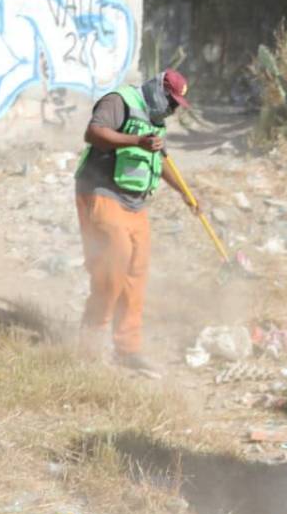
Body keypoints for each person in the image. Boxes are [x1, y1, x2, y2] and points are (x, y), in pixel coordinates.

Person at [73, 69, 198, 378]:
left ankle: (127, 349)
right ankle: (88, 344)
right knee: (112, 266)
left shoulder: (156, 119)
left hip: (135, 203)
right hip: (101, 191)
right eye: (172, 102)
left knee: (135, 274)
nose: (172, 110)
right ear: (159, 91)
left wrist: (185, 192)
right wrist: (136, 140)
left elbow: (160, 159)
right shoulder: (120, 101)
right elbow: (93, 133)